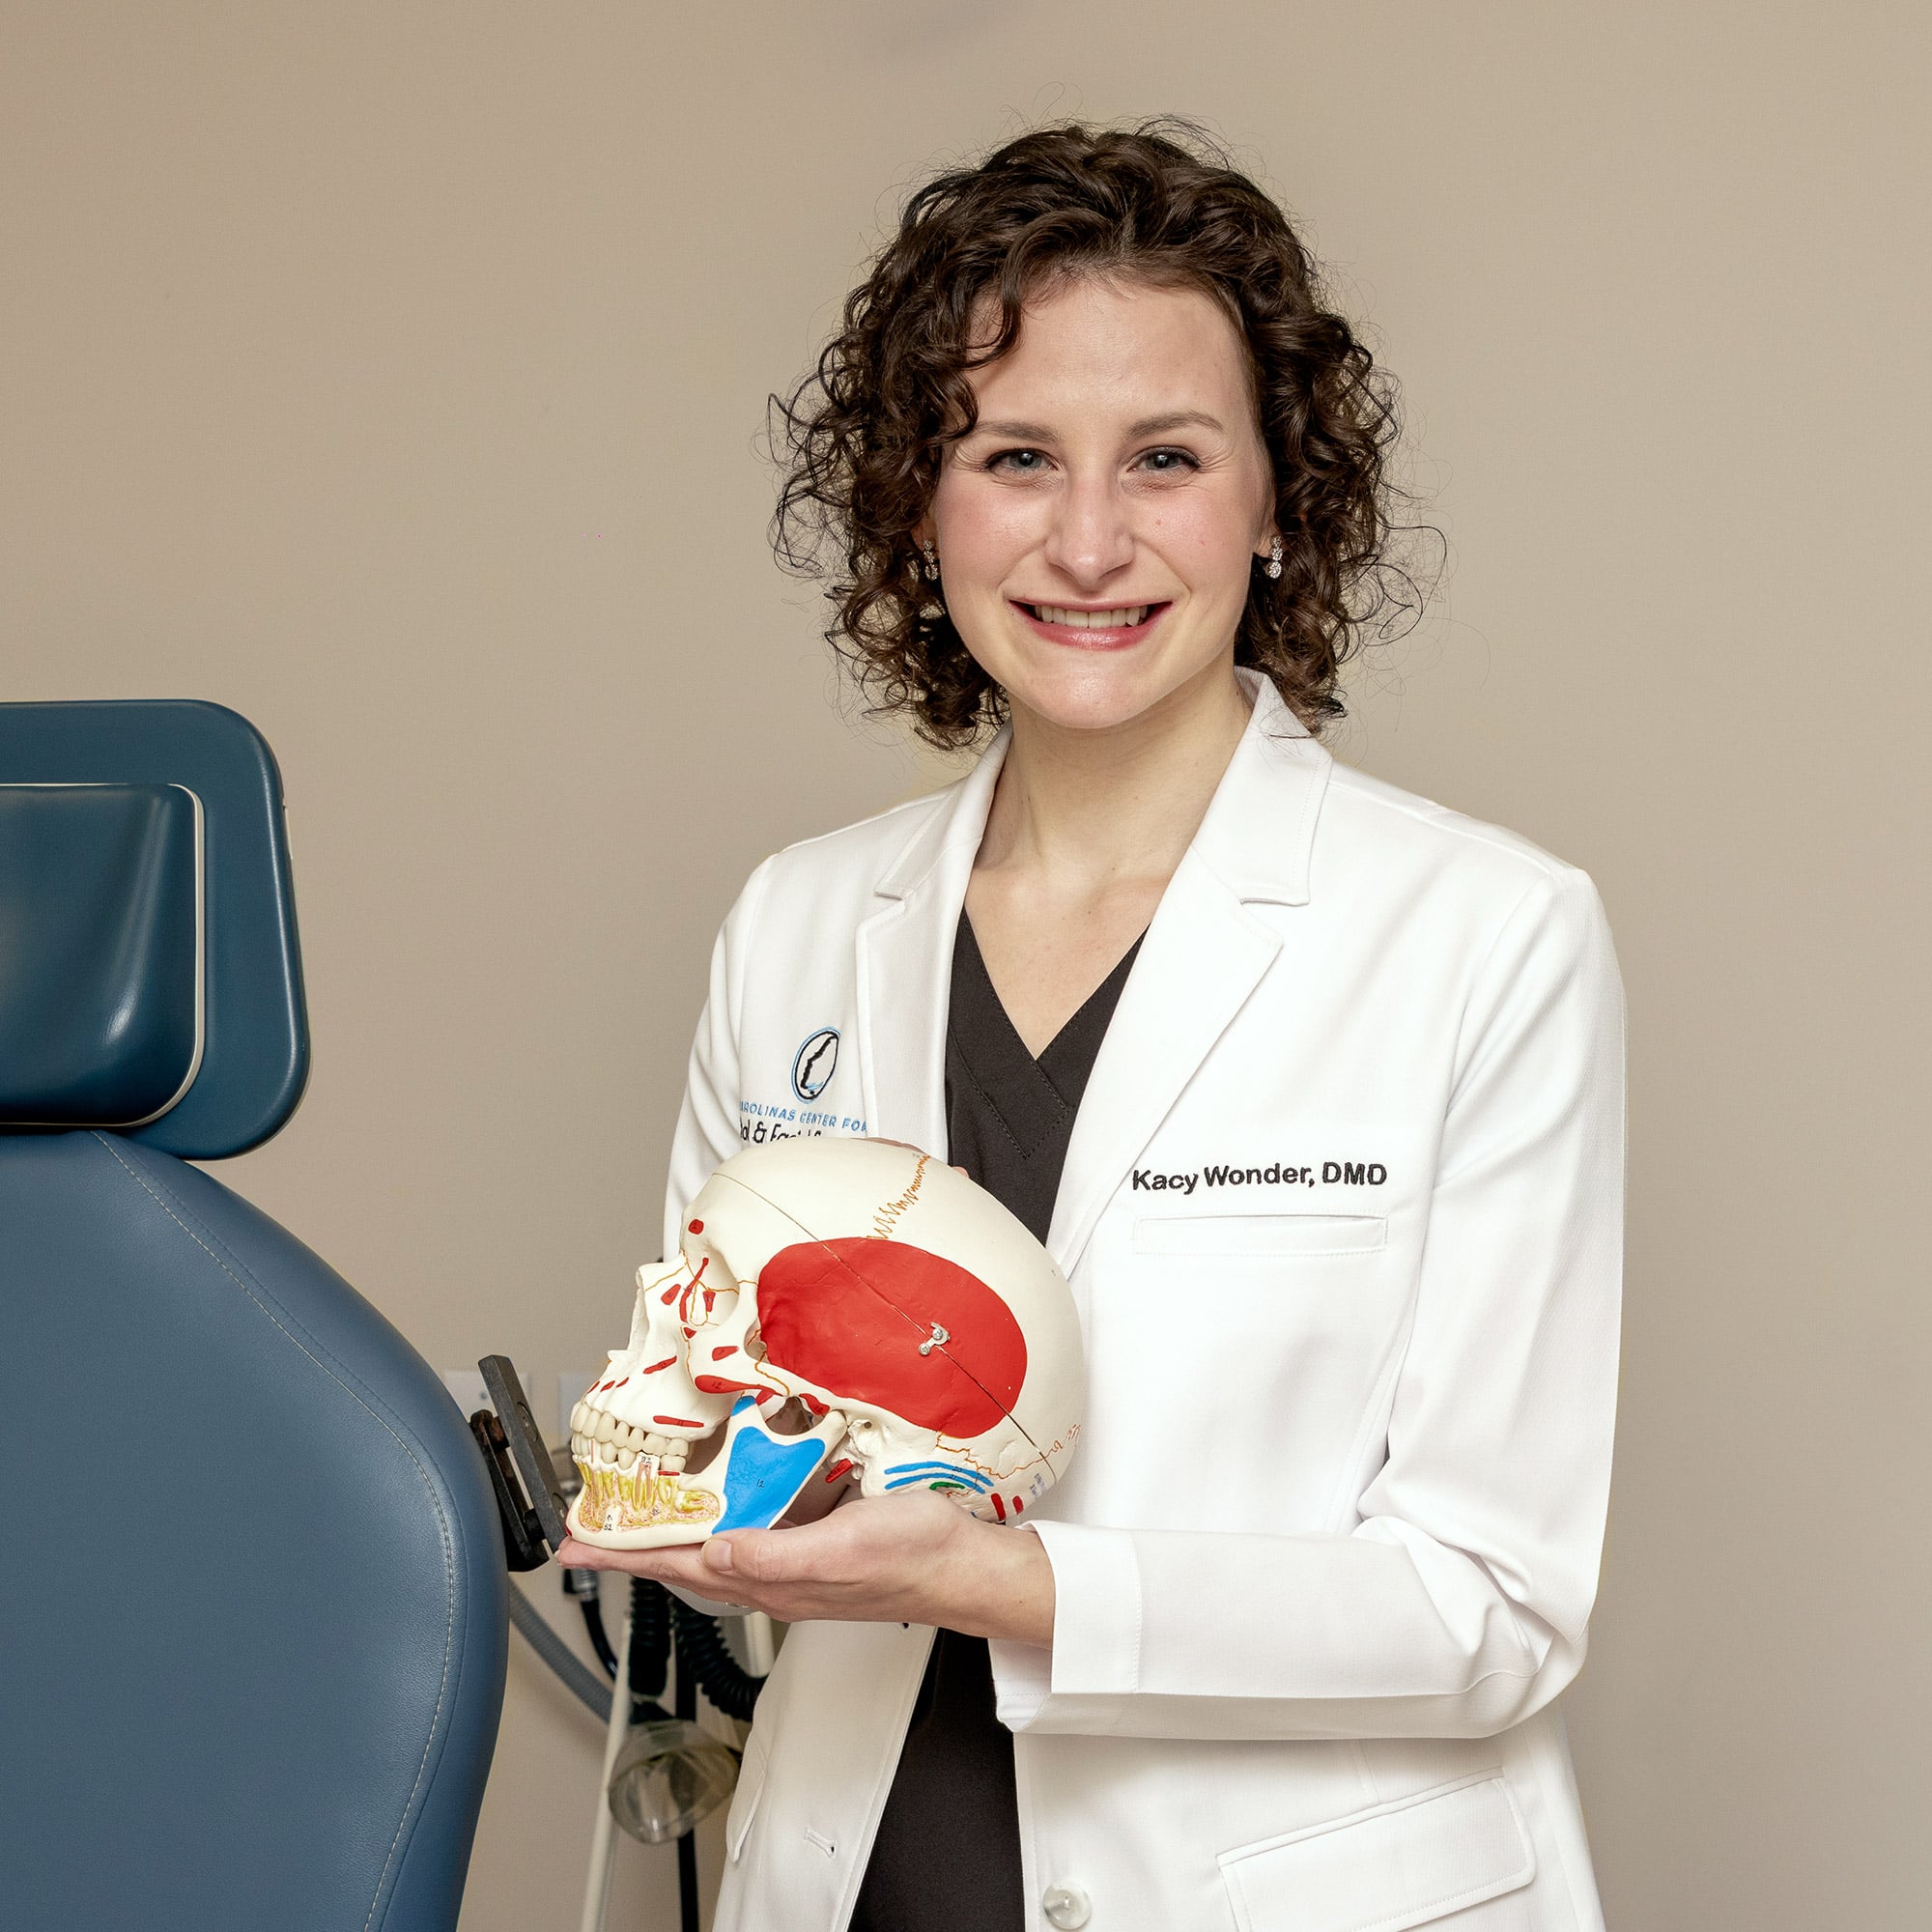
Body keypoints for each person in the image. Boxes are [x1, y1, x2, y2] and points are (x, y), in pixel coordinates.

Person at [558, 118, 1625, 1932]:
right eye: (1017, 455)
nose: (1088, 540)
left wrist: (1011, 1583)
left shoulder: (1485, 934)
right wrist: (685, 1490)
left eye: (1168, 459)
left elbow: (1490, 1608)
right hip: (860, 1882)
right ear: (924, 499)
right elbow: (730, 1416)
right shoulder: (801, 923)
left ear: (1282, 498)